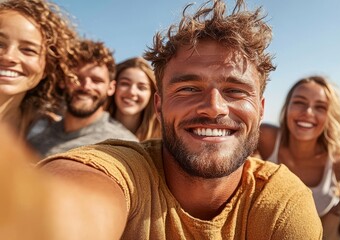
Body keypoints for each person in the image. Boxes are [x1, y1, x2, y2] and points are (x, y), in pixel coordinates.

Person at [35, 0, 322, 239]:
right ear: (158, 106)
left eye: (234, 90)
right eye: (188, 89)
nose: (213, 108)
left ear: (260, 110)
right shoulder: (125, 169)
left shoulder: (281, 203)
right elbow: (72, 197)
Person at [257, 75, 340, 217]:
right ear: (287, 107)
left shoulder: (339, 157)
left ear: (330, 115)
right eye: (299, 102)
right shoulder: (266, 138)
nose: (308, 112)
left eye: (320, 107)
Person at [28, 39, 138, 158]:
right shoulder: (35, 136)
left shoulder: (124, 148)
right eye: (77, 78)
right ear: (62, 81)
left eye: (96, 80)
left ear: (111, 88)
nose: (86, 87)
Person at [0, 0, 78, 139]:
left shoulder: (47, 131)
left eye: (28, 50)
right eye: (0, 44)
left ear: (47, 68)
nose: (9, 56)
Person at [107, 57, 161, 141]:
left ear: (152, 94)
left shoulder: (162, 141)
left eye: (141, 87)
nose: (132, 92)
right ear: (113, 86)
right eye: (125, 84)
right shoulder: (91, 128)